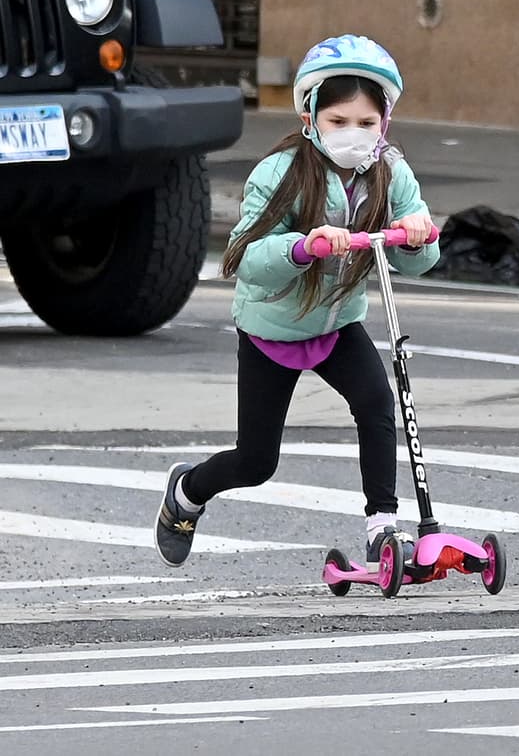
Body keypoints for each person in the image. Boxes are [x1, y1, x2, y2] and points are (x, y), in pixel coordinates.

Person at [154, 34, 440, 568]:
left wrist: (418, 236)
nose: (353, 133)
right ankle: (187, 492)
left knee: (376, 403)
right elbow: (246, 258)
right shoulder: (280, 172)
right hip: (273, 330)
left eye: (366, 122)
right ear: (310, 118)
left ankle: (382, 526)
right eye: (338, 120)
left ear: (385, 123)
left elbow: (416, 261)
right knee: (256, 461)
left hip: (337, 324)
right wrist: (303, 246)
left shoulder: (391, 172)